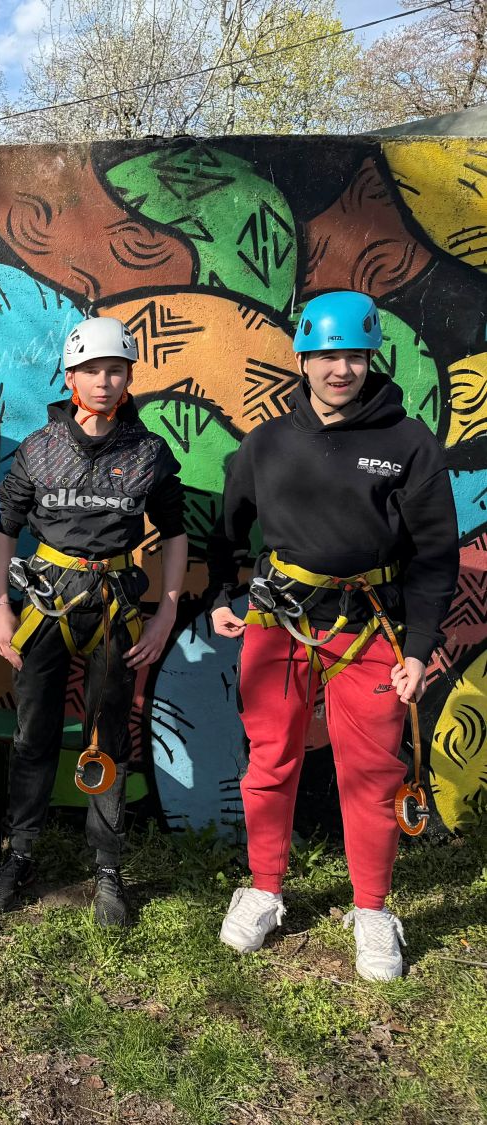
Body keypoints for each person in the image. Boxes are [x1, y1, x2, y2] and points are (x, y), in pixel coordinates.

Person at [208, 290, 457, 981]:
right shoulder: (268, 442)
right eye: (326, 355)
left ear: (371, 358)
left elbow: (435, 554)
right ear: (302, 359)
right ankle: (264, 888)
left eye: (353, 355)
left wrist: (418, 648)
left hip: (370, 626)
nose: (340, 369)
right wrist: (223, 595)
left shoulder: (408, 444)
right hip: (280, 622)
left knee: (373, 772)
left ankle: (372, 909)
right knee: (270, 759)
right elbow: (228, 528)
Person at [0, 316, 188, 927]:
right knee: (33, 732)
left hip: (116, 606)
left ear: (129, 378)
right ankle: (21, 854)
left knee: (109, 735)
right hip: (46, 604)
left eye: (115, 370)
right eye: (91, 370)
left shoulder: (148, 452)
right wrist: (0, 608)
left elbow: (175, 533)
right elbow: (5, 530)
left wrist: (166, 612)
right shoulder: (39, 449)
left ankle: (107, 868)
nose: (103, 381)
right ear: (70, 377)